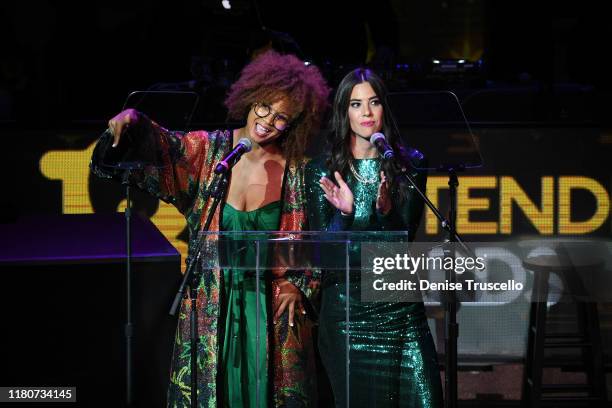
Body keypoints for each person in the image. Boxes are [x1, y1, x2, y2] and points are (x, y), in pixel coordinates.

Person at [91, 50, 330, 407]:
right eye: (263, 106)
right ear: (250, 98)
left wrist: (299, 283)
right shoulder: (209, 151)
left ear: (294, 123)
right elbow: (163, 149)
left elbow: (320, 239)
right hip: (212, 303)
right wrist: (134, 120)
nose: (266, 121)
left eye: (282, 118)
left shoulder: (299, 171)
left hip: (271, 311)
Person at [305, 68, 443, 408]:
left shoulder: (409, 164)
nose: (366, 113)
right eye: (356, 104)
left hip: (399, 306)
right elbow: (324, 254)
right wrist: (346, 215)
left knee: (425, 399)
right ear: (343, 112)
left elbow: (403, 241)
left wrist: (385, 211)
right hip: (348, 311)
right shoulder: (321, 170)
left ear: (384, 109)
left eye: (374, 102)